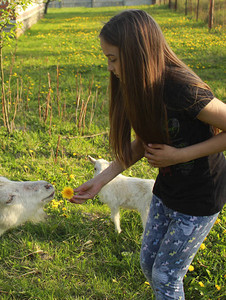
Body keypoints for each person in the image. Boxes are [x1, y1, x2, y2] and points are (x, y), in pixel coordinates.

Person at [69, 9, 226, 300]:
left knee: (165, 276)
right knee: (148, 263)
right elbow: (144, 143)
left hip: (201, 194)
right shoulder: (139, 84)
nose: (109, 67)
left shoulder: (181, 87)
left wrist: (180, 155)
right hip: (168, 189)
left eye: (113, 59)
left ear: (137, 53)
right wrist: (101, 180)